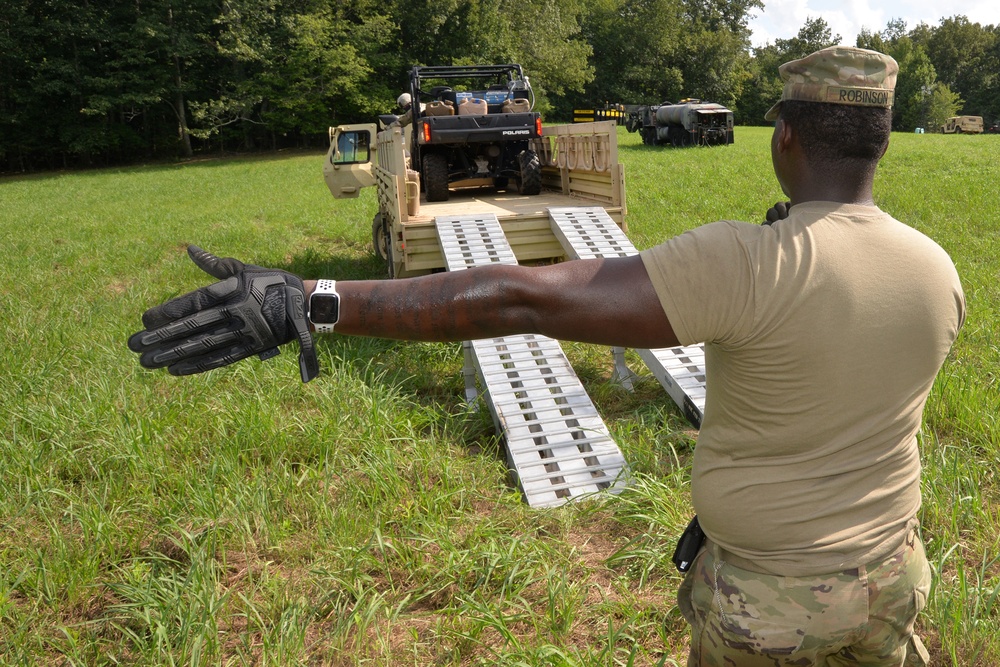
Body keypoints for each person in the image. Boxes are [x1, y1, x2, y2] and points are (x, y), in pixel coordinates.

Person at [127, 46, 964, 665]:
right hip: (894, 579)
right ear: (881, 143)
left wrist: (311, 300)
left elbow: (520, 295)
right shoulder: (937, 269)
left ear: (783, 138)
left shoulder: (746, 263)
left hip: (772, 606)